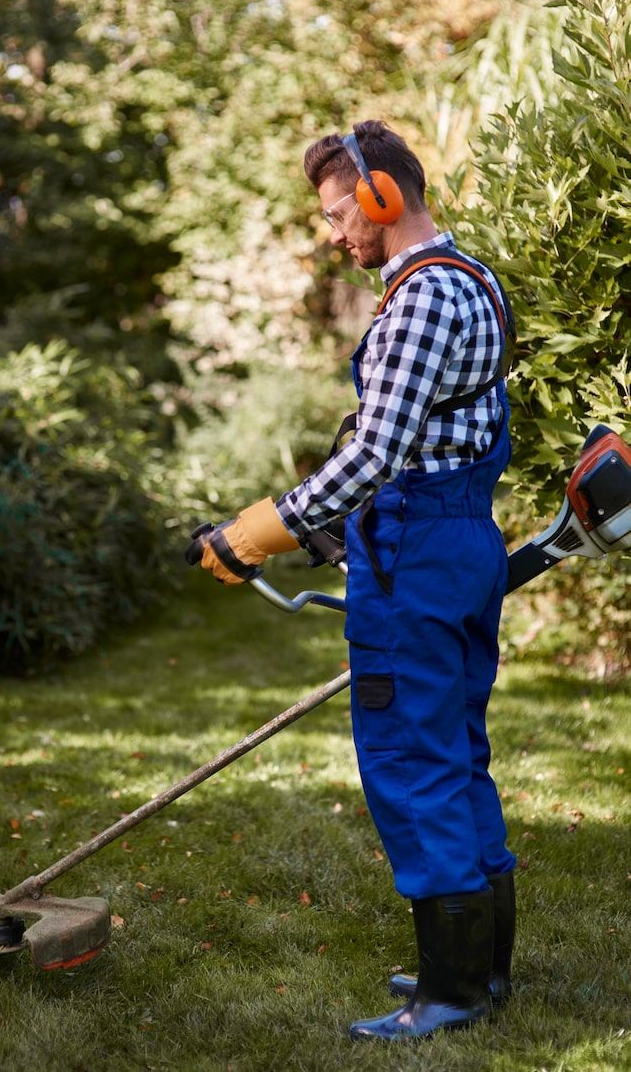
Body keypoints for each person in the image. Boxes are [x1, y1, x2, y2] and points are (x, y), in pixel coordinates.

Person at [185, 119, 516, 1042]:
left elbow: (376, 452)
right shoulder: (472, 281)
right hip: (456, 540)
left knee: (415, 761)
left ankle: (447, 994)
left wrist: (261, 529)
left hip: (417, 556)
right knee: (458, 750)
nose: (333, 233)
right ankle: (480, 970)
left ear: (382, 197)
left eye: (339, 214)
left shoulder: (416, 301)